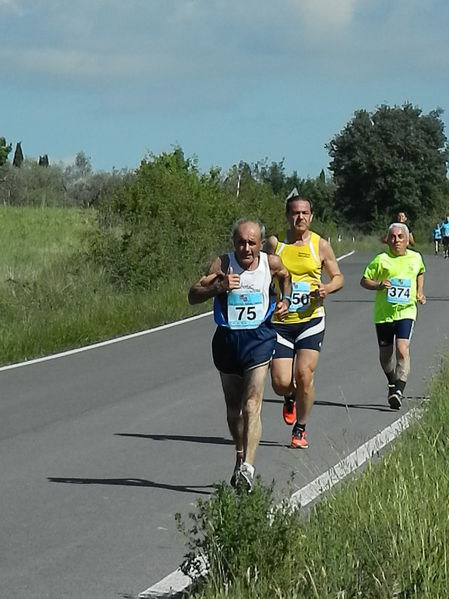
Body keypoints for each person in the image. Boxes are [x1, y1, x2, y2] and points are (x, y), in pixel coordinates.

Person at [188, 218, 291, 491]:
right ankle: (239, 454)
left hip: (259, 338)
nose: (246, 248)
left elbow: (285, 277)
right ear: (234, 243)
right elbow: (193, 294)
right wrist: (218, 288)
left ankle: (248, 467)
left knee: (251, 405)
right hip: (227, 339)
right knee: (234, 411)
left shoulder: (272, 263)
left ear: (260, 244)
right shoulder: (222, 264)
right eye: (241, 242)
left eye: (252, 243)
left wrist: (285, 300)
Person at [264, 190, 344, 449]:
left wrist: (327, 288)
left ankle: (301, 428)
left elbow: (338, 277)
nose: (300, 217)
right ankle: (289, 396)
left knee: (305, 375)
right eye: (295, 212)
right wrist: (272, 299)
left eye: (304, 213)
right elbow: (258, 274)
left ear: (311, 216)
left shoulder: (320, 244)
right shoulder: (275, 244)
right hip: (281, 324)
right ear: (288, 216)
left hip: (311, 319)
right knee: (280, 383)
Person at [360, 223, 426, 409]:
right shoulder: (381, 260)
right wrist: (378, 285)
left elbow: (420, 272)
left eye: (400, 237)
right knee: (385, 356)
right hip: (383, 314)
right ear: (387, 239)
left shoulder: (415, 257)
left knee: (402, 349)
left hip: (406, 311)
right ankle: (392, 382)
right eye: (393, 237)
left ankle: (399, 390)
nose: (396, 240)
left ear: (407, 240)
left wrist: (420, 292)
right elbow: (364, 280)